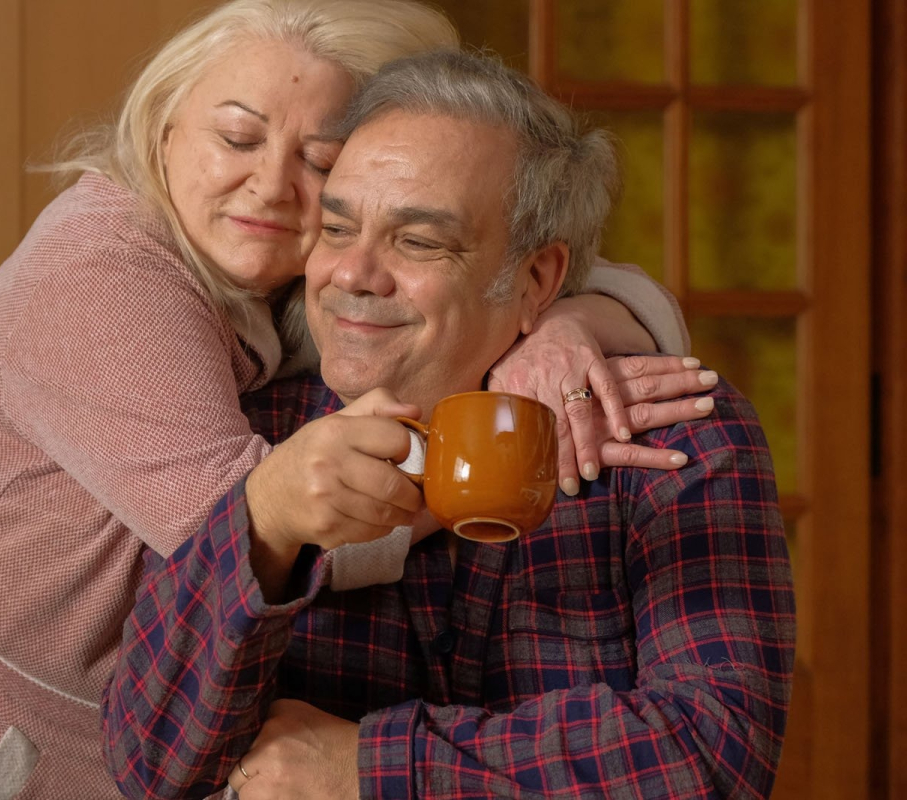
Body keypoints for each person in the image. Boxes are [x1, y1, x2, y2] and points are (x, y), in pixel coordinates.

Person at [0, 3, 696, 799]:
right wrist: (500, 443)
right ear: (164, 127)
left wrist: (580, 320)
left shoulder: (297, 266)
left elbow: (524, 258)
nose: (270, 184)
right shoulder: (102, 270)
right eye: (237, 137)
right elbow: (256, 520)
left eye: (321, 158)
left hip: (117, 715)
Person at [106, 49, 795, 800]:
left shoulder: (672, 434)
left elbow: (708, 758)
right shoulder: (250, 432)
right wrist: (262, 522)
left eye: (417, 241)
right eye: (337, 231)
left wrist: (367, 768)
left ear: (536, 280)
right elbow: (150, 766)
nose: (353, 275)